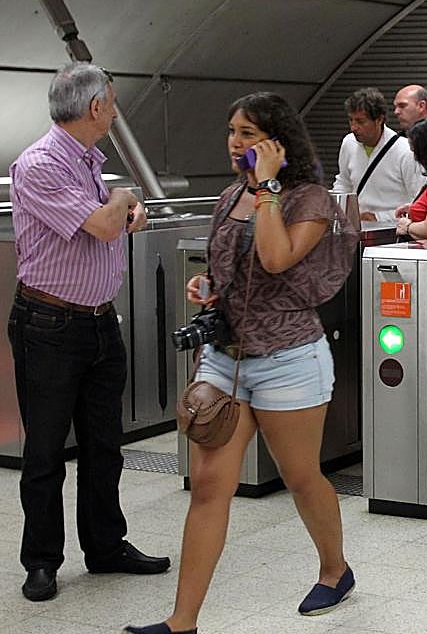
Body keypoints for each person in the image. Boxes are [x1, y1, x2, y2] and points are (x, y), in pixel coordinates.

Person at [126, 92, 356, 634]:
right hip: (226, 358)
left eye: (249, 134)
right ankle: (182, 621)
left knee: (301, 478)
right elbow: (231, 268)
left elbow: (277, 258)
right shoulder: (230, 196)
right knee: (209, 487)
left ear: (277, 142)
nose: (236, 142)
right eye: (233, 131)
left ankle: (334, 567)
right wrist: (209, 287)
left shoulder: (309, 200)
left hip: (289, 358)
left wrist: (268, 187)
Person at [7, 62, 166, 604]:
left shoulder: (87, 161)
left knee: (105, 446)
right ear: (96, 107)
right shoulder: (41, 164)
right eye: (113, 102)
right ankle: (42, 561)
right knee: (47, 450)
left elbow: (118, 219)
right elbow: (104, 225)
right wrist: (121, 201)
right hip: (48, 326)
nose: (116, 111)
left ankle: (105, 547)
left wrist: (120, 206)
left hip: (99, 322)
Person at [330, 87, 424, 222]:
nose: (353, 127)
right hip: (356, 229)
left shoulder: (405, 151)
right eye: (351, 120)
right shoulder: (348, 143)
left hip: (393, 232)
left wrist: (379, 217)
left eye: (360, 121)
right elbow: (344, 183)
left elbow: (418, 201)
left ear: (379, 120)